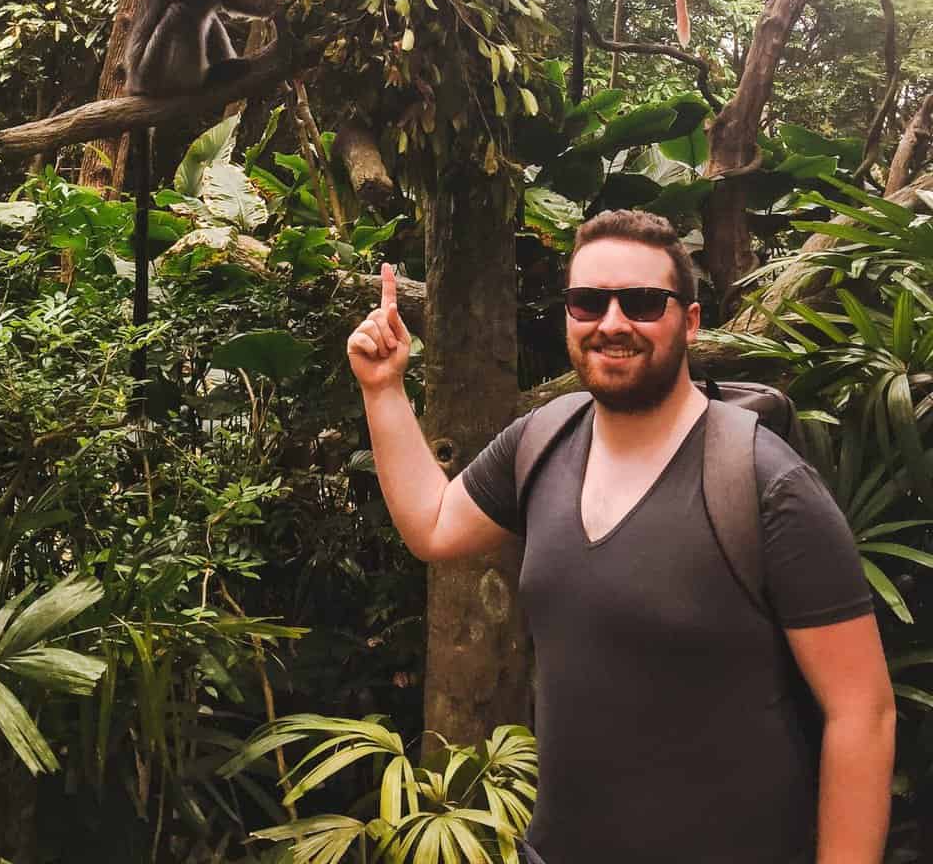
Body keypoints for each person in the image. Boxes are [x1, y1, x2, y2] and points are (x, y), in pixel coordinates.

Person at [347, 209, 895, 864]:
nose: (611, 323)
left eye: (640, 302)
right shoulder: (542, 439)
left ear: (689, 322)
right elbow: (434, 525)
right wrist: (383, 391)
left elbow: (862, 714)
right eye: (588, 302)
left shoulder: (764, 484)